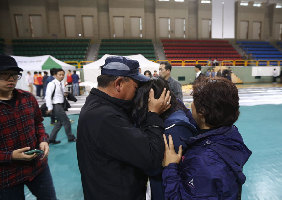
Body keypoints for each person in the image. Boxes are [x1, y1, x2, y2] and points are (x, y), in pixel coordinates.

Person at [76, 56, 171, 200]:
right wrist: (153, 115)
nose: (137, 92)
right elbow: (152, 159)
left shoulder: (97, 106)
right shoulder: (105, 117)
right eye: (136, 87)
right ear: (119, 83)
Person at [162, 77, 252, 200]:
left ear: (202, 112)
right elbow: (199, 122)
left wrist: (170, 167)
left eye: (193, 101)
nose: (191, 105)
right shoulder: (230, 132)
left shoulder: (202, 161)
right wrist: (176, 103)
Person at [0, 55, 56, 199]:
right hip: (7, 175)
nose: (11, 78)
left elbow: (38, 123)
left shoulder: (28, 98)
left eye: (14, 75)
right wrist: (11, 156)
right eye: (4, 74)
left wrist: (43, 140)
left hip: (37, 167)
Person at [132, 77, 198, 200]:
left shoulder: (174, 131)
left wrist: (153, 115)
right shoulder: (177, 113)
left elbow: (152, 166)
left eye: (143, 103)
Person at [45, 68, 76, 144]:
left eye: (63, 75)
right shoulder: (52, 84)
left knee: (59, 123)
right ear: (55, 75)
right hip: (56, 106)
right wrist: (50, 108)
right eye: (60, 75)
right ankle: (70, 138)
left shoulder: (60, 83)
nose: (62, 76)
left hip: (60, 105)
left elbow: (59, 94)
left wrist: (64, 94)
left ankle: (51, 139)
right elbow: (48, 96)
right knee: (66, 122)